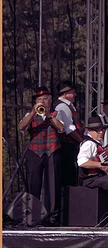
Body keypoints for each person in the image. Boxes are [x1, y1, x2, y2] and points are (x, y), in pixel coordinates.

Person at [18, 86, 65, 225]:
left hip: (52, 151)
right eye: (40, 99)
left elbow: (61, 128)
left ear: (50, 101)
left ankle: (52, 218)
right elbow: (21, 127)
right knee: (34, 184)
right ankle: (32, 216)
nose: (43, 102)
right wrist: (33, 112)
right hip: (35, 152)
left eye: (45, 99)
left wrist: (49, 115)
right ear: (35, 102)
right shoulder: (31, 114)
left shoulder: (57, 113)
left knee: (53, 185)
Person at [77, 116, 108, 208]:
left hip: (98, 177)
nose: (101, 132)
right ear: (89, 131)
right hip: (91, 179)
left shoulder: (96, 143)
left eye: (102, 129)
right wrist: (100, 165)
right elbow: (81, 162)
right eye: (97, 130)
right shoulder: (89, 144)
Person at [55, 80, 84, 187]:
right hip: (66, 147)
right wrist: (82, 142)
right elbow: (69, 129)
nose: (75, 94)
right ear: (65, 94)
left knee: (71, 175)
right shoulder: (62, 107)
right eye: (73, 92)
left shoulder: (68, 106)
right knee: (68, 176)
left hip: (71, 146)